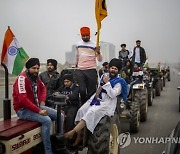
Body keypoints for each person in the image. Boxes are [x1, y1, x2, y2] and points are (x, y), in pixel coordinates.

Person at [64, 58, 128, 146]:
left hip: (107, 103)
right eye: (112, 68)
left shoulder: (120, 82)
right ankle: (80, 136)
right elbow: (99, 88)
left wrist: (107, 84)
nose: (113, 70)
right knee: (81, 110)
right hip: (97, 98)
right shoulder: (104, 76)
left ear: (118, 70)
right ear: (109, 68)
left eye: (115, 69)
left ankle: (73, 131)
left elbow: (113, 94)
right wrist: (93, 98)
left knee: (91, 112)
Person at [12, 58, 64, 154]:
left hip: (35, 106)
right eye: (33, 68)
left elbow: (43, 88)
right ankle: (48, 151)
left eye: (37, 68)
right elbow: (23, 100)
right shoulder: (22, 79)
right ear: (28, 68)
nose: (36, 70)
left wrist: (42, 101)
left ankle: (59, 144)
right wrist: (39, 110)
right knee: (47, 120)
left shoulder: (36, 77)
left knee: (60, 116)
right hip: (23, 110)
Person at [75, 26, 103, 105]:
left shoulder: (95, 45)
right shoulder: (78, 44)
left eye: (87, 35)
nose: (85, 37)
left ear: (89, 35)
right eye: (83, 36)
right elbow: (77, 55)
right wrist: (76, 64)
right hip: (80, 70)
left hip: (91, 70)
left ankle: (90, 106)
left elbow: (100, 59)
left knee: (91, 92)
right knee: (82, 90)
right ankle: (83, 105)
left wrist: (98, 52)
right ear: (81, 35)